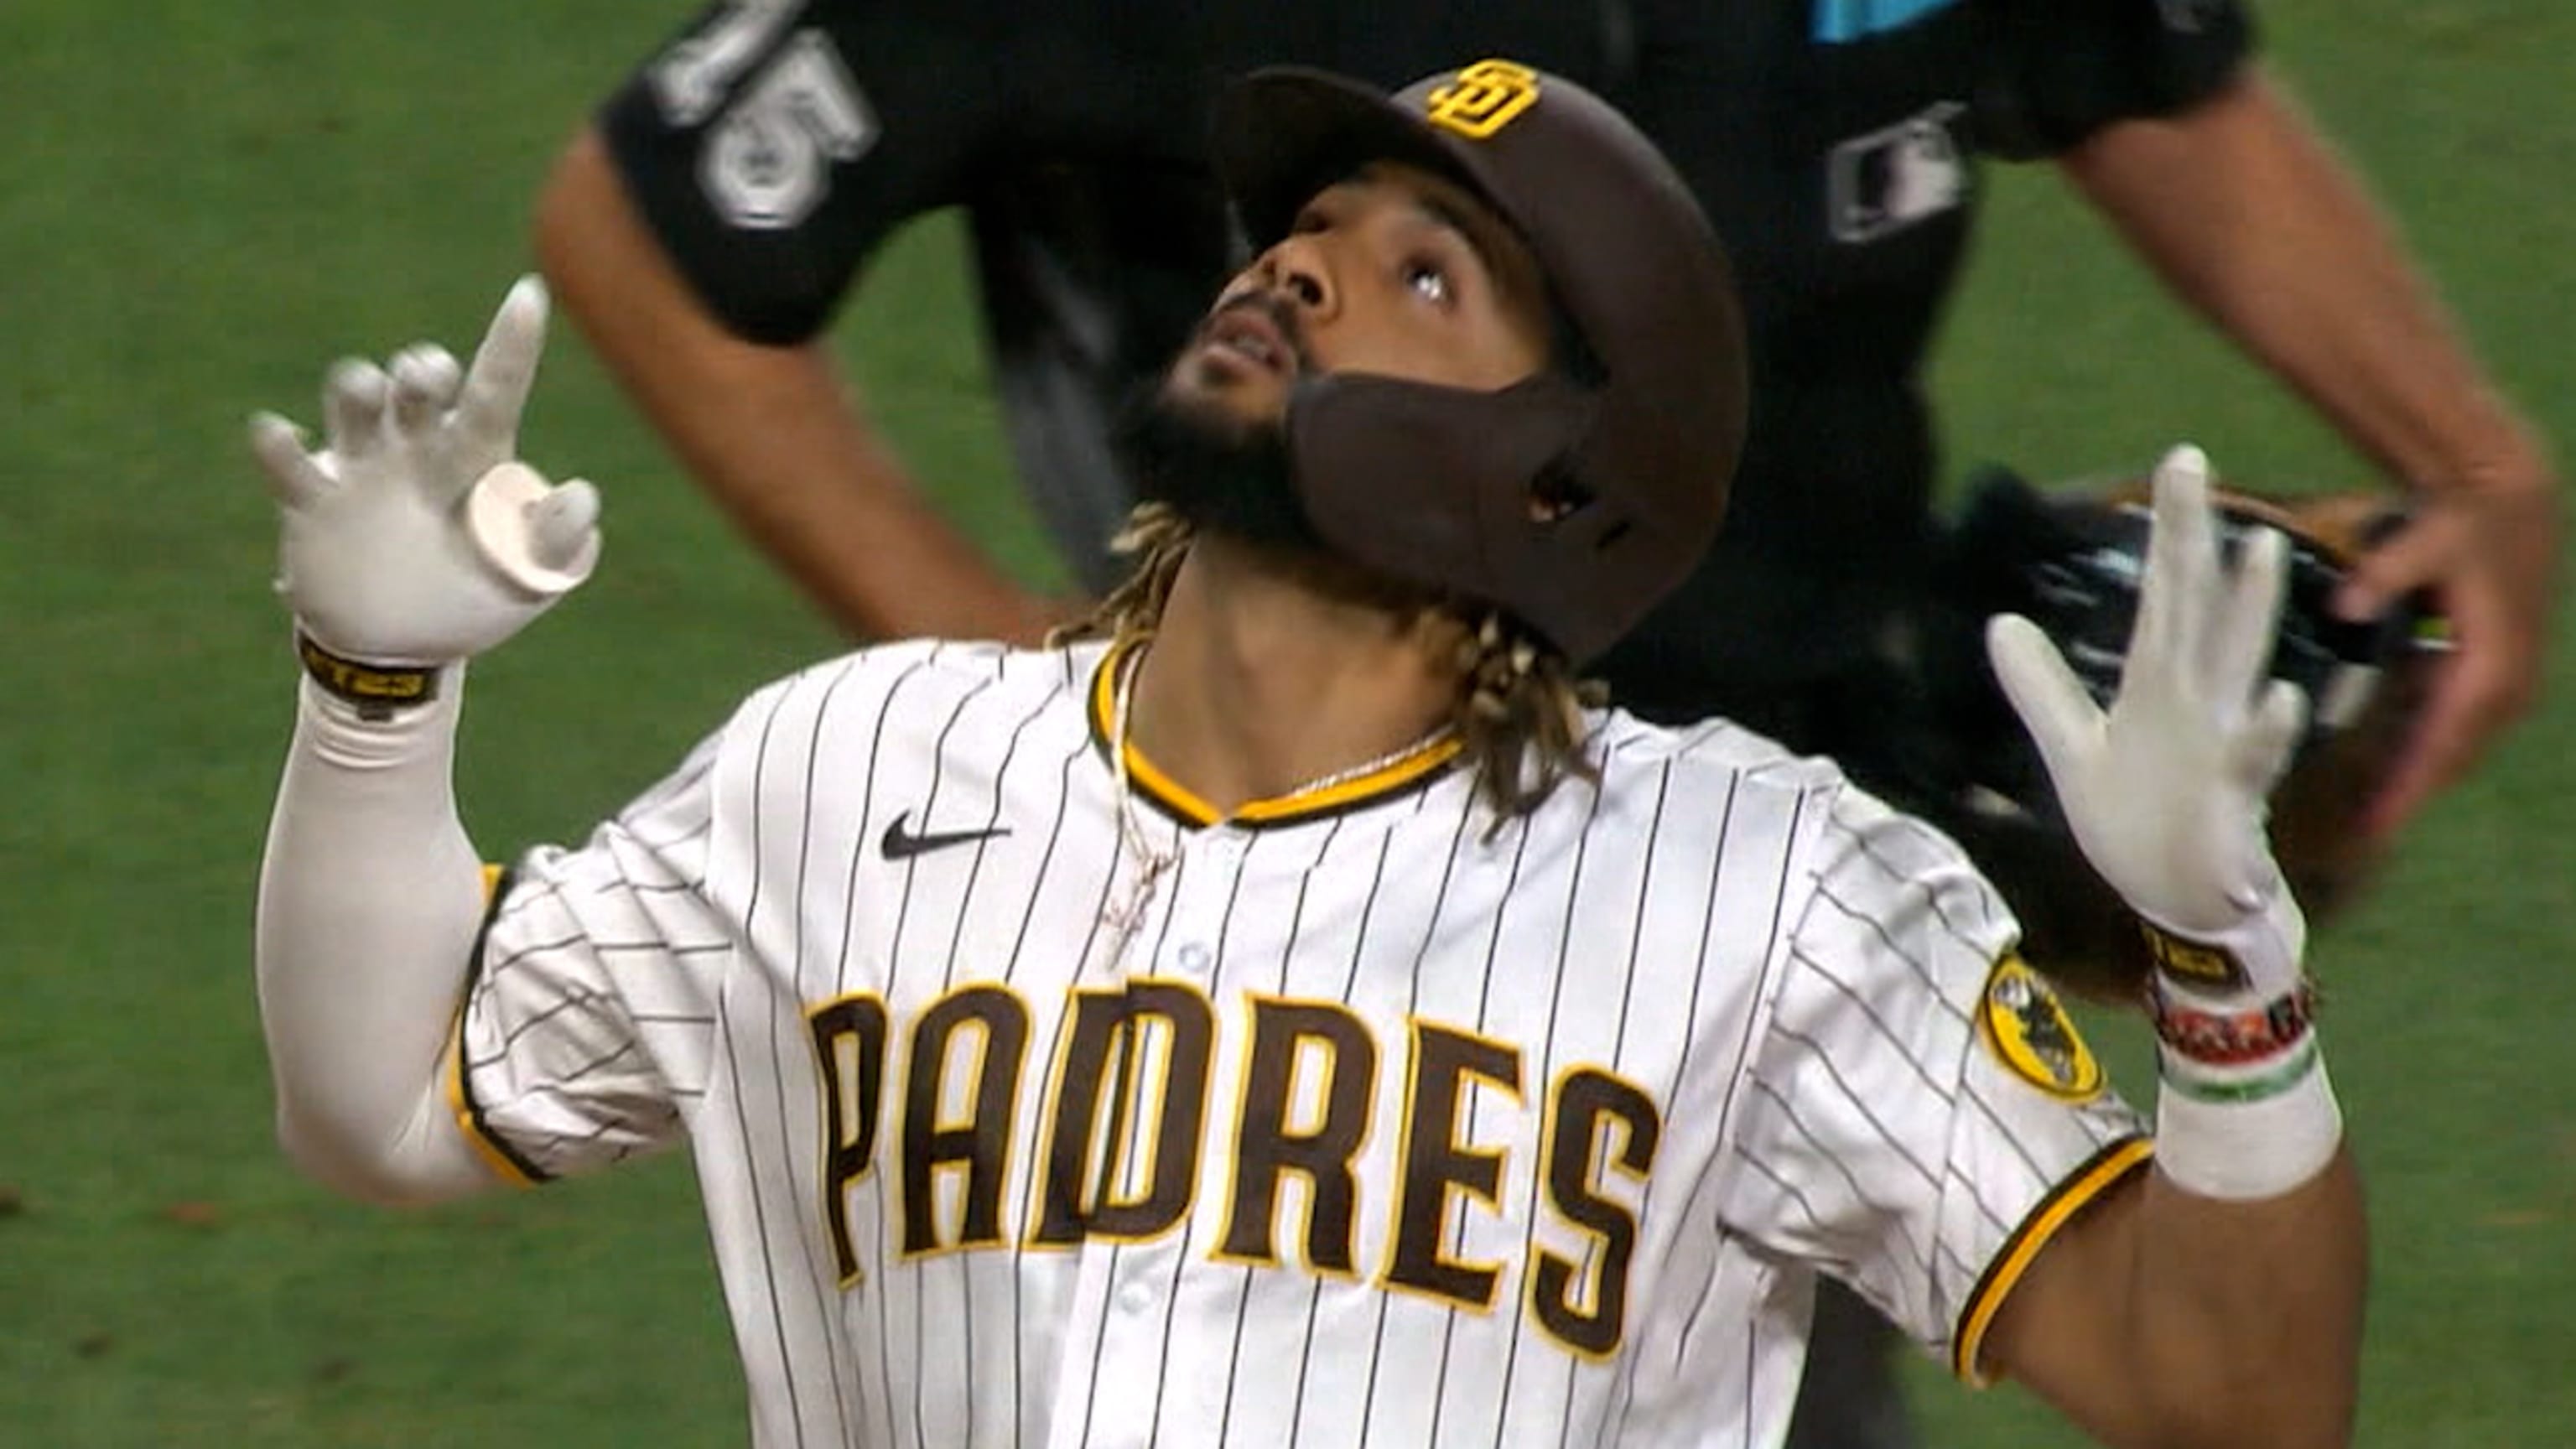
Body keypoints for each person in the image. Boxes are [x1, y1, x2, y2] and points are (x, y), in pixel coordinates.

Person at [253, 60, 2367, 1449]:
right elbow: (393, 1099)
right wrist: (374, 695)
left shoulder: (1770, 895)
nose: (1290, 271)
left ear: (1565, 486)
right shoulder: (855, 762)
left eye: (1414, 274)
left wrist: (2226, 960)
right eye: (1307, 234)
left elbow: (2234, 1393)